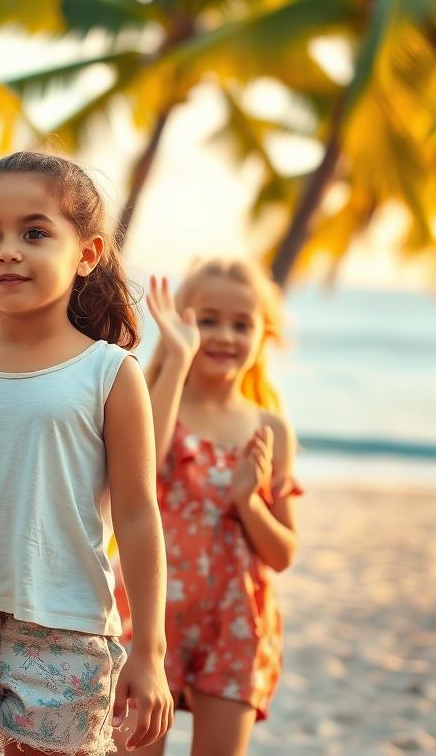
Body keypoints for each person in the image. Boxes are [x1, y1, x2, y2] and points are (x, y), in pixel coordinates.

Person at [0, 151, 181, 756]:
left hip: (67, 640)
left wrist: (148, 650)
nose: (8, 250)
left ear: (87, 254)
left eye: (35, 232)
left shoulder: (109, 374)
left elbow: (137, 515)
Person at [120, 259, 300, 756]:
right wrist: (177, 360)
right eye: (207, 320)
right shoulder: (159, 403)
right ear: (182, 323)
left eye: (242, 324)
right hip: (152, 610)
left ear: (264, 333)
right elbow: (140, 471)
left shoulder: (271, 430)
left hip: (236, 620)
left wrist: (249, 502)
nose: (224, 335)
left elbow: (282, 554)